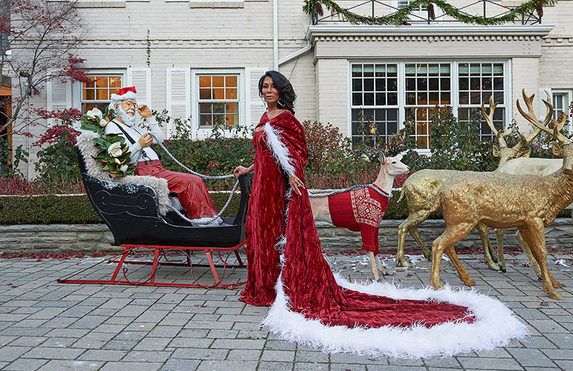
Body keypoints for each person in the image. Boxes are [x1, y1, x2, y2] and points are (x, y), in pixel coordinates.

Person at [233, 71, 527, 357]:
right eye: (264, 86)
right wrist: (248, 169)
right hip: (261, 188)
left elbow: (298, 156)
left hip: (282, 189)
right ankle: (263, 287)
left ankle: (280, 287)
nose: (267, 91)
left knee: (279, 236)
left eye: (272, 86)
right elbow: (265, 155)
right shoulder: (263, 120)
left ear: (282, 91)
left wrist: (296, 176)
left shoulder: (289, 121)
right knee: (261, 234)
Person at [105, 86, 218, 220]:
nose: (132, 108)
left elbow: (158, 140)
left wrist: (149, 117)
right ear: (117, 106)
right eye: (128, 104)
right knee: (190, 182)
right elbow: (120, 158)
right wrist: (139, 145)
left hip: (157, 168)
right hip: (142, 172)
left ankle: (210, 219)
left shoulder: (133, 127)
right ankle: (202, 220)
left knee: (197, 180)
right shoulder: (112, 127)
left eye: (134, 105)